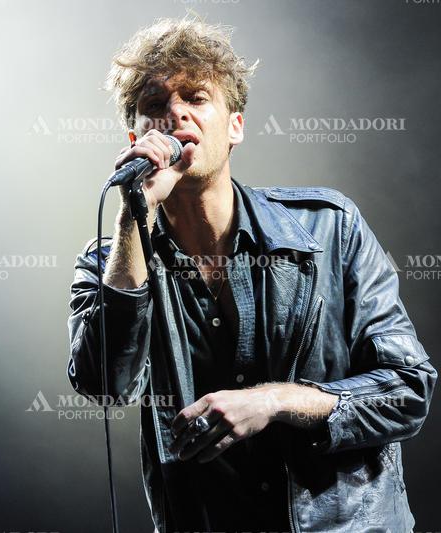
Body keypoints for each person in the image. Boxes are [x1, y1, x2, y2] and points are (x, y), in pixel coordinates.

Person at [67, 16, 436, 533]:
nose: (175, 114)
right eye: (155, 106)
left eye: (196, 97)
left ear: (234, 126)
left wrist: (273, 401)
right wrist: (134, 214)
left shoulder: (329, 229)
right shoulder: (110, 262)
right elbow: (105, 384)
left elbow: (408, 390)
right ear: (136, 137)